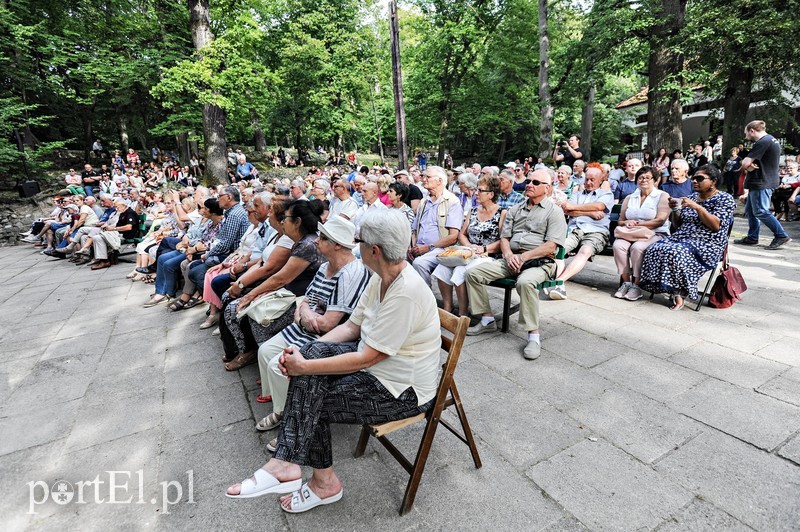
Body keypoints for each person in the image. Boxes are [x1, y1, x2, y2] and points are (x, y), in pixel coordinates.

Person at [225, 209, 441, 513]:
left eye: (359, 241)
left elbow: (367, 357)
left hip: (402, 389)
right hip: (378, 369)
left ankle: (315, 479)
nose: (356, 246)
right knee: (309, 365)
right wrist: (305, 355)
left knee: (314, 402)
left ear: (374, 250)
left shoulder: (405, 291)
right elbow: (352, 328)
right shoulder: (382, 279)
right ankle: (287, 465)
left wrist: (306, 366)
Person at [254, 216, 371, 443]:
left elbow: (327, 324)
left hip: (328, 337)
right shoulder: (326, 265)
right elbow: (305, 301)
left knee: (278, 365)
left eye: (323, 238)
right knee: (265, 351)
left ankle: (292, 419)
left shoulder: (350, 273)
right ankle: (282, 408)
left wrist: (304, 312)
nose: (316, 241)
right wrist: (304, 314)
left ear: (337, 244)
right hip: (306, 328)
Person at [465, 169, 567, 360]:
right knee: (473, 273)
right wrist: (509, 254)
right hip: (511, 258)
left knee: (525, 282)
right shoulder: (516, 209)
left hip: (540, 262)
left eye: (536, 182)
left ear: (547, 188)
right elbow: (505, 237)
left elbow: (551, 246)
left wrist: (523, 257)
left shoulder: (555, 212)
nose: (529, 184)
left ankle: (533, 335)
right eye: (528, 181)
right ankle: (487, 319)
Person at [220, 200, 325, 370]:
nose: (282, 221)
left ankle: (269, 361)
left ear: (297, 222)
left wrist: (250, 295)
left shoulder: (307, 245)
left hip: (303, 300)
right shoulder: (302, 241)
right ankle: (259, 357)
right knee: (237, 304)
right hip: (291, 294)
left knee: (248, 311)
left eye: (287, 218)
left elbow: (280, 278)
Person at [640, 164, 735, 310]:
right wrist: (675, 210)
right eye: (693, 178)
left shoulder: (724, 199)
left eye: (700, 178)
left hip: (708, 243)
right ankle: (665, 286)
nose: (694, 181)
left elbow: (716, 226)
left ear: (713, 181)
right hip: (682, 237)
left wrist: (697, 207)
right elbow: (678, 224)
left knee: (676, 252)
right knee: (654, 248)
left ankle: (679, 292)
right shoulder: (691, 197)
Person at [432, 174, 505, 317]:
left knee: (460, 269)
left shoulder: (502, 213)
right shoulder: (473, 211)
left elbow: (503, 240)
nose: (476, 192)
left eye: (480, 190)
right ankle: (448, 308)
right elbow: (462, 234)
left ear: (491, 194)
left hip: (488, 255)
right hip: (469, 252)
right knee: (442, 267)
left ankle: (463, 314)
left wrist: (483, 249)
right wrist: (469, 246)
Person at [545, 167, 614, 300]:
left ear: (601, 180)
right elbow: (568, 210)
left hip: (596, 232)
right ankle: (558, 284)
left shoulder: (607, 194)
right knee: (559, 249)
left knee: (585, 251)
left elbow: (599, 206)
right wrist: (591, 212)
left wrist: (575, 208)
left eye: (592, 180)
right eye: (586, 179)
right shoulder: (577, 194)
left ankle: (559, 282)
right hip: (574, 230)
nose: (588, 183)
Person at [612, 166, 671, 301]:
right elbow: (621, 220)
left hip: (655, 233)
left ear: (655, 180)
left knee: (637, 248)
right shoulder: (629, 197)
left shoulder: (662, 196)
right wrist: (626, 223)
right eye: (640, 177)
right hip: (630, 233)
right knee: (618, 245)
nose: (643, 180)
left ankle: (637, 285)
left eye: (647, 177)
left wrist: (638, 224)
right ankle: (626, 283)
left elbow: (660, 221)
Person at [734, 120, 792, 250]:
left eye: (746, 133)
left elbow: (745, 163)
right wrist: (749, 166)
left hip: (762, 181)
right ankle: (752, 237)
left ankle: (781, 235)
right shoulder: (772, 140)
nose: (745, 136)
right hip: (762, 180)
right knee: (750, 210)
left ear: (752, 131)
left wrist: (747, 164)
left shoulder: (762, 142)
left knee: (760, 211)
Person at [408, 166, 463, 285]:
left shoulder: (452, 201)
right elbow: (414, 230)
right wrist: (412, 246)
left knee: (419, 263)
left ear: (440, 181)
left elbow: (453, 237)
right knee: (393, 257)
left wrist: (428, 247)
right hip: (419, 247)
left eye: (428, 177)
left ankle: (425, 299)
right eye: (423, 176)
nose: (424, 179)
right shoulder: (424, 201)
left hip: (440, 249)